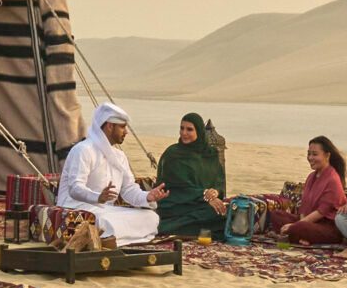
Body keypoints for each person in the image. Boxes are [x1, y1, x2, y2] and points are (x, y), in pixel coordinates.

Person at [54, 102, 164, 245]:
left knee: (151, 217)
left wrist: (147, 196)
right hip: (78, 209)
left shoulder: (119, 156)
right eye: (122, 127)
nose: (126, 132)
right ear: (110, 126)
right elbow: (75, 188)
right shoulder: (83, 150)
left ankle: (114, 241)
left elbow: (128, 189)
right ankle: (119, 240)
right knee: (106, 222)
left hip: (106, 210)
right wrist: (97, 197)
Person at [153, 112, 228, 239]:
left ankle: (194, 230)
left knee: (225, 211)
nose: (184, 133)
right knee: (210, 213)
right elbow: (178, 187)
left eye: (189, 129)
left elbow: (219, 181)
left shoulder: (210, 154)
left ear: (199, 131)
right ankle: (169, 228)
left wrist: (215, 192)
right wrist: (204, 195)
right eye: (182, 128)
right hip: (176, 204)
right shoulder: (173, 154)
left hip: (203, 203)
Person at [281, 136, 347, 246]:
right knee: (277, 216)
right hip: (310, 222)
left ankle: (298, 236)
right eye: (309, 154)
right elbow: (304, 207)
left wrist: (296, 226)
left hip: (328, 228)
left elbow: (321, 212)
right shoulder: (311, 177)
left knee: (299, 227)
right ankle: (300, 237)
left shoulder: (332, 179)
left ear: (327, 156)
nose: (310, 157)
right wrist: (297, 223)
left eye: (314, 154)